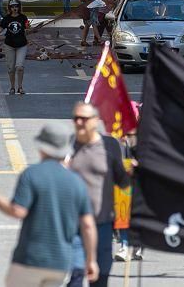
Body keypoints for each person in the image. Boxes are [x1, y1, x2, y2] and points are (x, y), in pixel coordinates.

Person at [0, 123, 99, 287]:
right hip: (60, 262)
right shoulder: (77, 181)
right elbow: (88, 225)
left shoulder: (31, 174)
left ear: (42, 148)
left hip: (29, 259)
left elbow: (18, 211)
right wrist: (91, 260)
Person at [67, 102, 130, 287]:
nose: (79, 122)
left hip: (102, 224)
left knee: (101, 276)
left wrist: (132, 172)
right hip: (72, 225)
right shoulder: (67, 146)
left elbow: (122, 181)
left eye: (84, 119)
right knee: (76, 274)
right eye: (76, 118)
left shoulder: (109, 145)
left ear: (95, 121)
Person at [0, 0, 31, 96]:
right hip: (9, 45)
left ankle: (20, 87)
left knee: (19, 66)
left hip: (22, 44)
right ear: (9, 8)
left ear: (19, 7)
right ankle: (12, 87)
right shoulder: (7, 18)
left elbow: (27, 27)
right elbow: (0, 28)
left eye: (16, 6)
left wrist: (28, 27)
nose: (14, 8)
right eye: (12, 7)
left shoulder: (23, 17)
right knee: (11, 68)